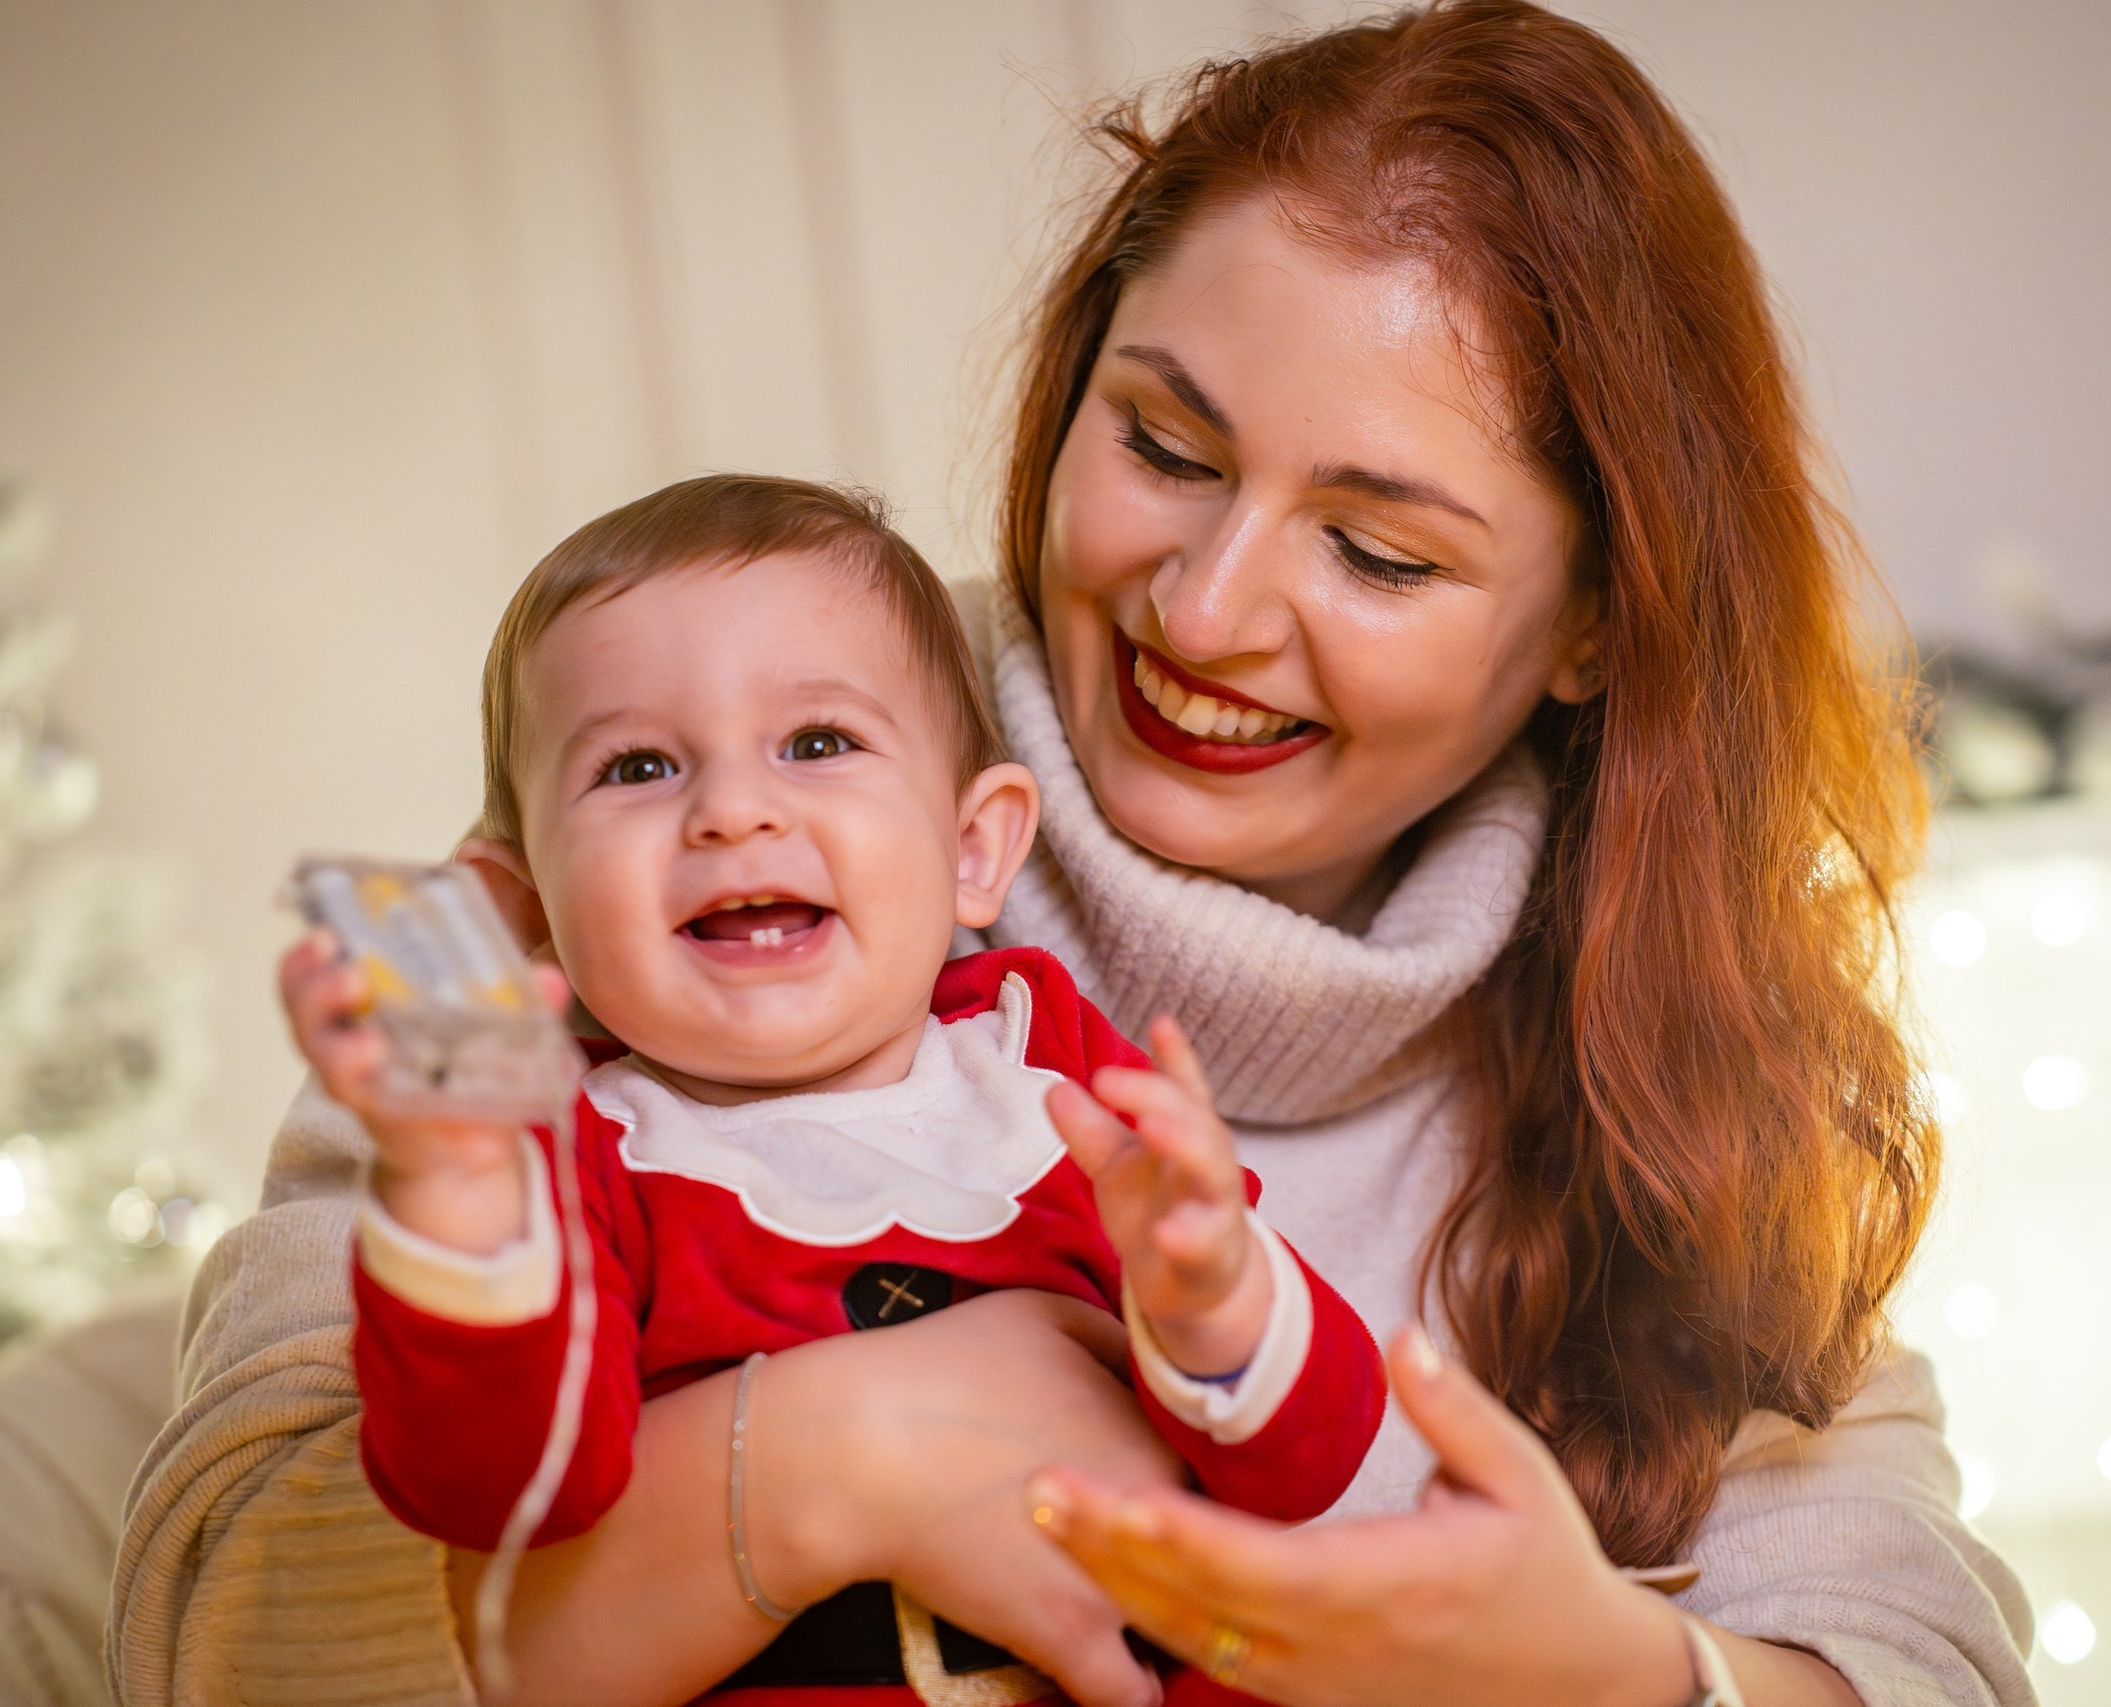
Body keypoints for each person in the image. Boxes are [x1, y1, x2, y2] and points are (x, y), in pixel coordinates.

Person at [111, 5, 2037, 1706]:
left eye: (1376, 551)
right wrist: (844, 1448)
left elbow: (1924, 1660)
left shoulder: (1673, 1055)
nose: (1205, 606)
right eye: (1168, 445)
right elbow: (218, 1636)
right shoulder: (688, 810)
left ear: (1600, 623)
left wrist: (1606, 1676)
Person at [277, 475, 1385, 1702]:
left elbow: (1307, 1463)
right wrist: (456, 1198)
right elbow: (501, 1497)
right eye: (637, 766)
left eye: (818, 744)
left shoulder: (1044, 1069)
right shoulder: (578, 1154)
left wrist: (1219, 1299)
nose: (735, 812)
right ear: (522, 910)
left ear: (972, 849)